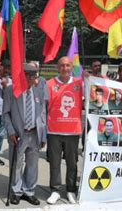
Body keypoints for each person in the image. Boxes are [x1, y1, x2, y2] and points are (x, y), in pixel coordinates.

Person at [3, 63, 47, 206]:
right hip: (18, 135)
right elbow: (6, 114)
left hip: (34, 134)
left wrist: (43, 135)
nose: (35, 80)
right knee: (16, 163)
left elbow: (43, 115)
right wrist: (10, 131)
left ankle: (29, 191)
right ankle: (16, 191)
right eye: (32, 76)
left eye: (35, 76)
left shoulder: (39, 91)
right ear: (24, 77)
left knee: (33, 164)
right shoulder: (11, 91)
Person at [46, 57, 82, 205]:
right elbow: (43, 105)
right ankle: (55, 190)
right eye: (62, 65)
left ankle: (70, 190)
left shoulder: (79, 84)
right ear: (57, 67)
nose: (65, 68)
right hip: (54, 130)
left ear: (72, 67)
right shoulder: (49, 84)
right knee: (54, 162)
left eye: (68, 65)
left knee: (72, 163)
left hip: (73, 131)